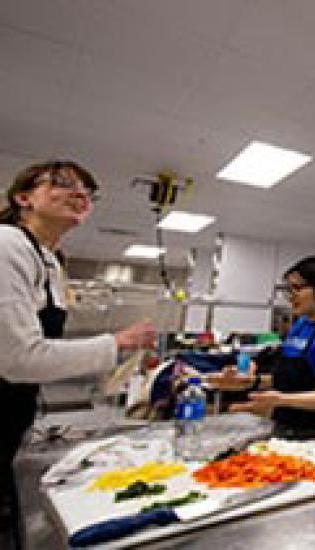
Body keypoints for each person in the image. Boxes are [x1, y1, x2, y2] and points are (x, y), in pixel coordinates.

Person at [0, 161, 156, 528]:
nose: (80, 194)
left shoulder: (49, 260)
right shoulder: (6, 244)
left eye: (87, 190)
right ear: (24, 198)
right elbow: (18, 357)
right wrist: (117, 342)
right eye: (63, 184)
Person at [227, 256, 315, 438]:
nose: (291, 296)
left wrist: (280, 400)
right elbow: (291, 379)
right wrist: (253, 381)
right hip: (288, 426)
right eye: (289, 290)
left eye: (298, 288)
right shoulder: (301, 325)